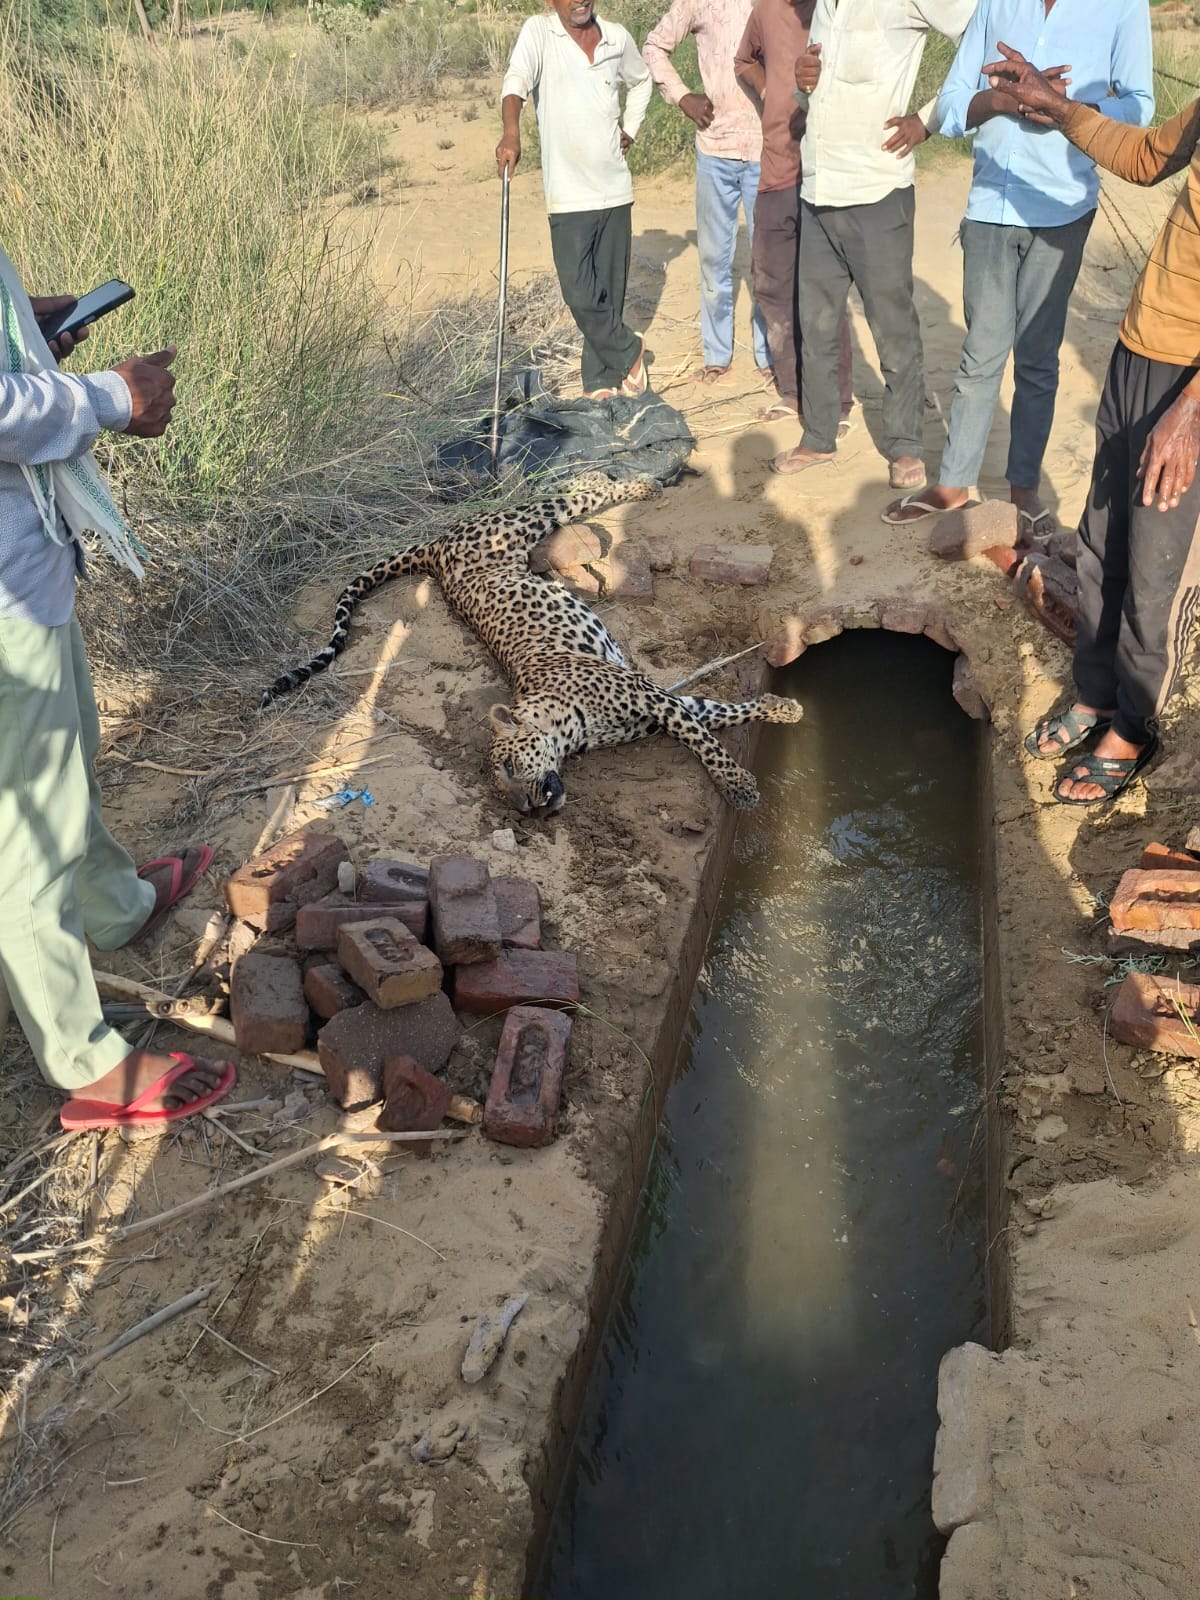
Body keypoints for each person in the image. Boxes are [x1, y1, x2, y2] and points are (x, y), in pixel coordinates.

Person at [0, 244, 236, 1128]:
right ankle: (83, 1061)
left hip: (25, 571)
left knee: (67, 747)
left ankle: (111, 906)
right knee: (28, 832)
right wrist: (108, 398)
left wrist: (27, 326)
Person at [988, 47, 1200, 804]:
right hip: (1140, 349)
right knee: (1106, 533)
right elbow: (1147, 158)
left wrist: (1190, 414)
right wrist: (1060, 106)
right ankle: (1096, 692)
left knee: (1156, 564)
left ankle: (1134, 727)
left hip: (1190, 393)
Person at [881, 0, 1153, 536]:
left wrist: (1065, 105)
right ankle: (954, 484)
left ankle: (1024, 491)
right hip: (990, 205)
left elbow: (1139, 110)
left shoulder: (1123, 7)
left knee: (1036, 359)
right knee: (979, 355)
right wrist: (1003, 100)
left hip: (1062, 207)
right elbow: (956, 103)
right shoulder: (997, 3)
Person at [769, 0, 976, 481]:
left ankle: (905, 445)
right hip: (818, 189)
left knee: (892, 324)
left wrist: (927, 120)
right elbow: (817, 100)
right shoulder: (823, 8)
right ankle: (819, 437)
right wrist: (803, 87)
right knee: (816, 325)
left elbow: (979, 37)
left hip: (878, 189)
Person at [497, 0, 653, 401]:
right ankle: (630, 352)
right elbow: (515, 81)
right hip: (568, 194)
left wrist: (629, 131)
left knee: (609, 293)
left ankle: (599, 381)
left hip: (614, 189)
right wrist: (511, 132)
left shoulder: (617, 38)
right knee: (579, 292)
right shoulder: (539, 33)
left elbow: (641, 81)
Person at [733, 0, 853, 430]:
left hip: (827, 172)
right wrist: (768, 92)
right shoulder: (766, 10)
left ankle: (836, 401)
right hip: (776, 169)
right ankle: (792, 390)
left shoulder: (838, 10)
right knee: (770, 282)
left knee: (823, 290)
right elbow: (743, 60)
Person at [644, 0, 771, 386]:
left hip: (769, 151)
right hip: (715, 150)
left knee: (770, 263)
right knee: (715, 261)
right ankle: (718, 355)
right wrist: (683, 96)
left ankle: (771, 356)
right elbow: (654, 46)